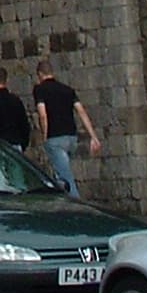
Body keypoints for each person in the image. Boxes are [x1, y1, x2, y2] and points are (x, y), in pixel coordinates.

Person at [33, 59, 101, 194]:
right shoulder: (67, 90)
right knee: (60, 177)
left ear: (40, 74)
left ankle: (75, 206)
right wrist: (93, 136)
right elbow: (81, 111)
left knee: (65, 179)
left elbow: (42, 115)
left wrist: (45, 135)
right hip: (71, 138)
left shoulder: (40, 90)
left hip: (55, 138)